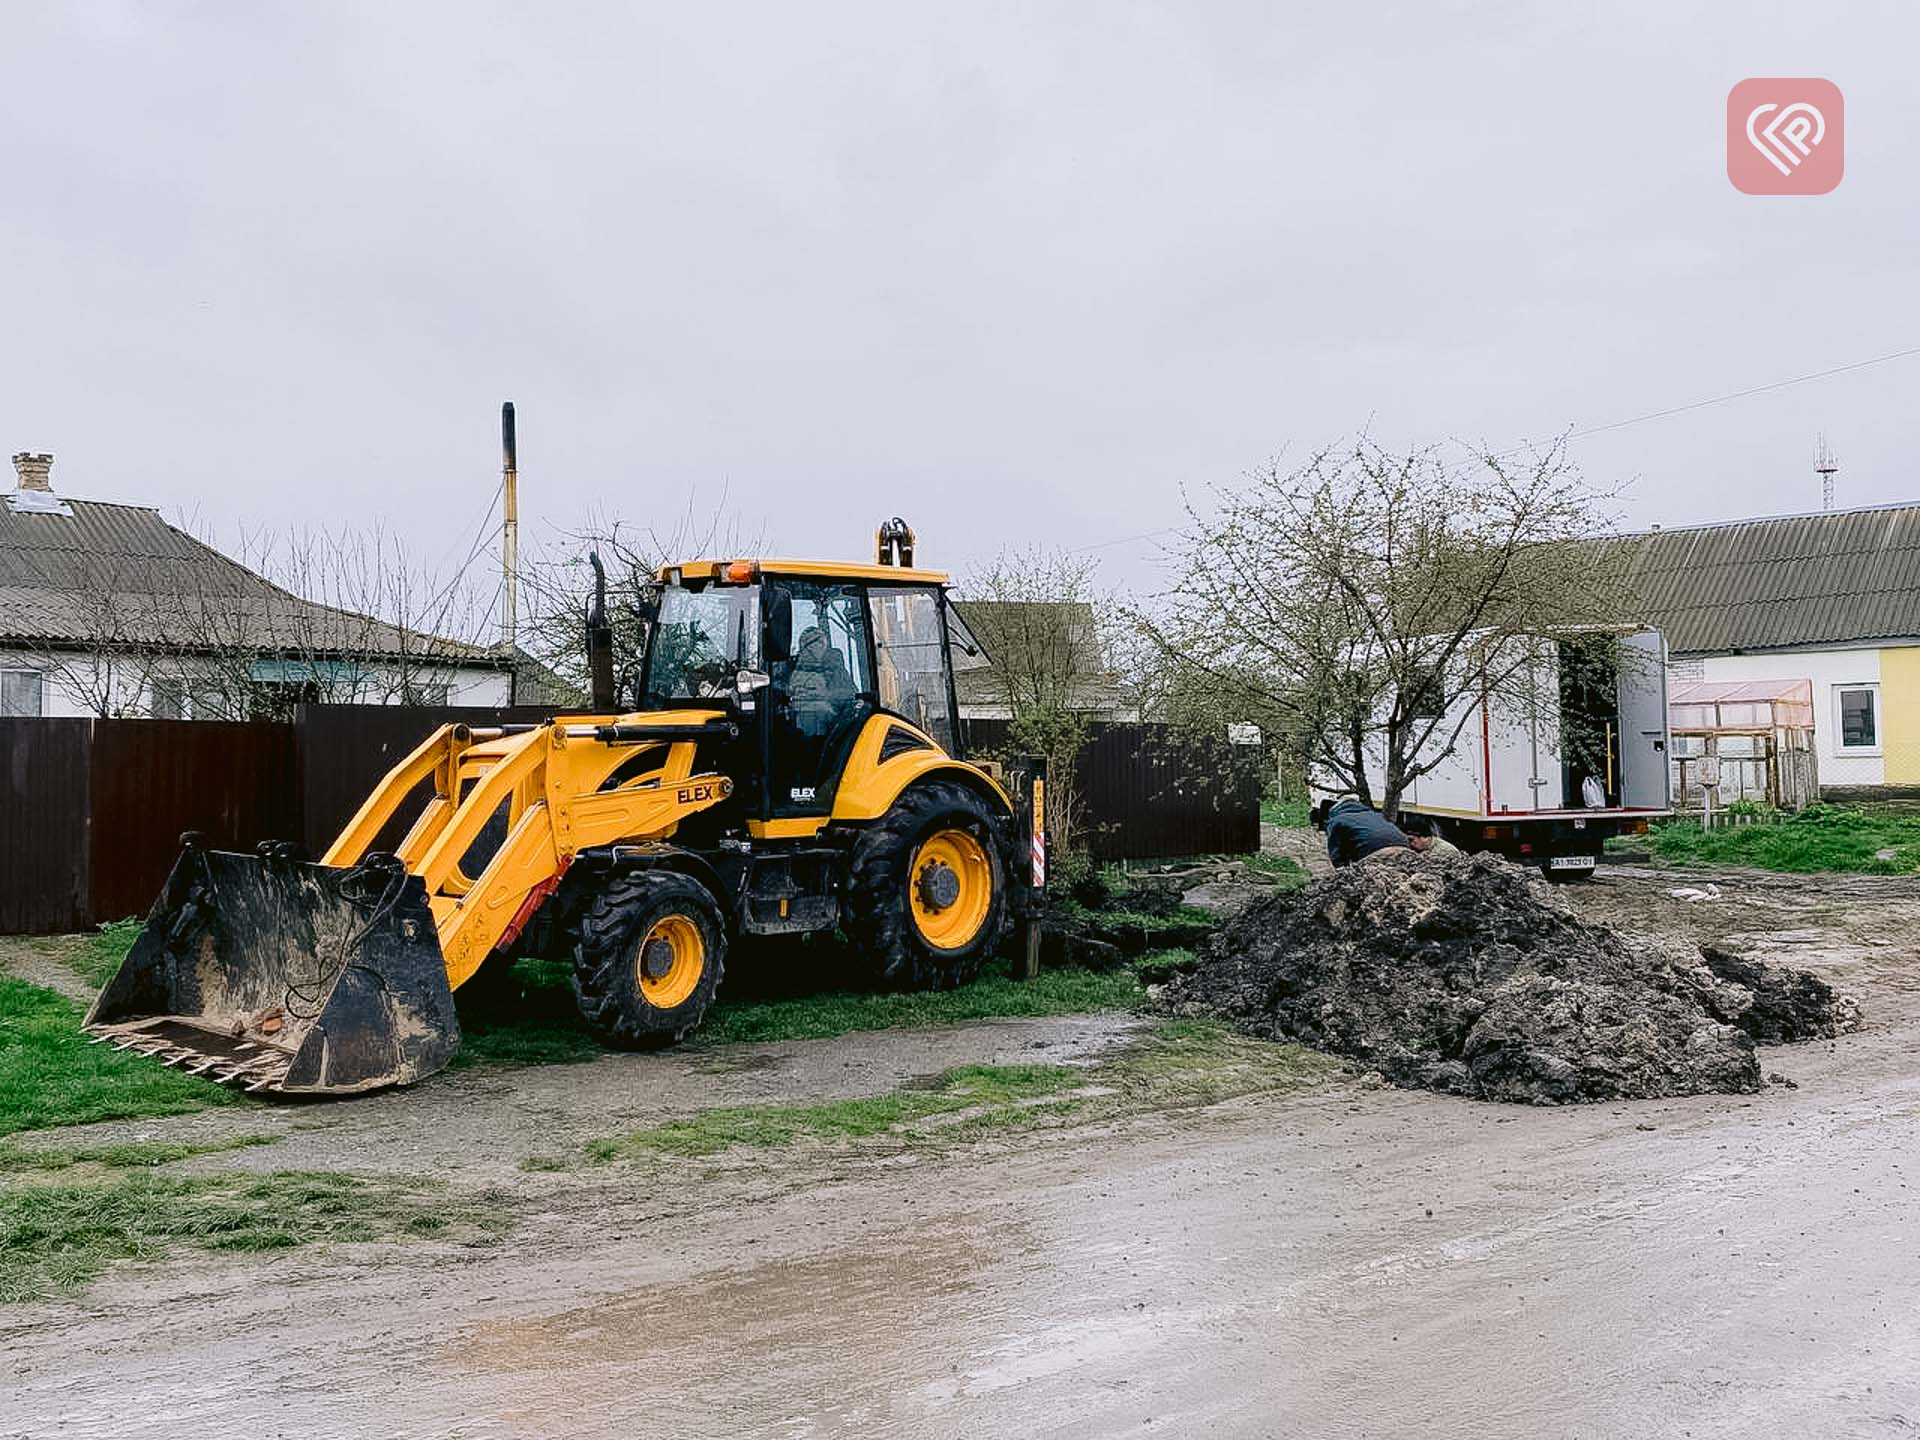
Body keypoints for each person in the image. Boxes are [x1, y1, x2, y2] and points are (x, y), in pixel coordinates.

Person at [1310, 795, 1415, 867]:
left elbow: (1337, 854)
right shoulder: (1375, 815)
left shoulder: (1337, 820)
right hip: (1405, 848)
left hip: (1376, 852)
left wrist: (1342, 874)